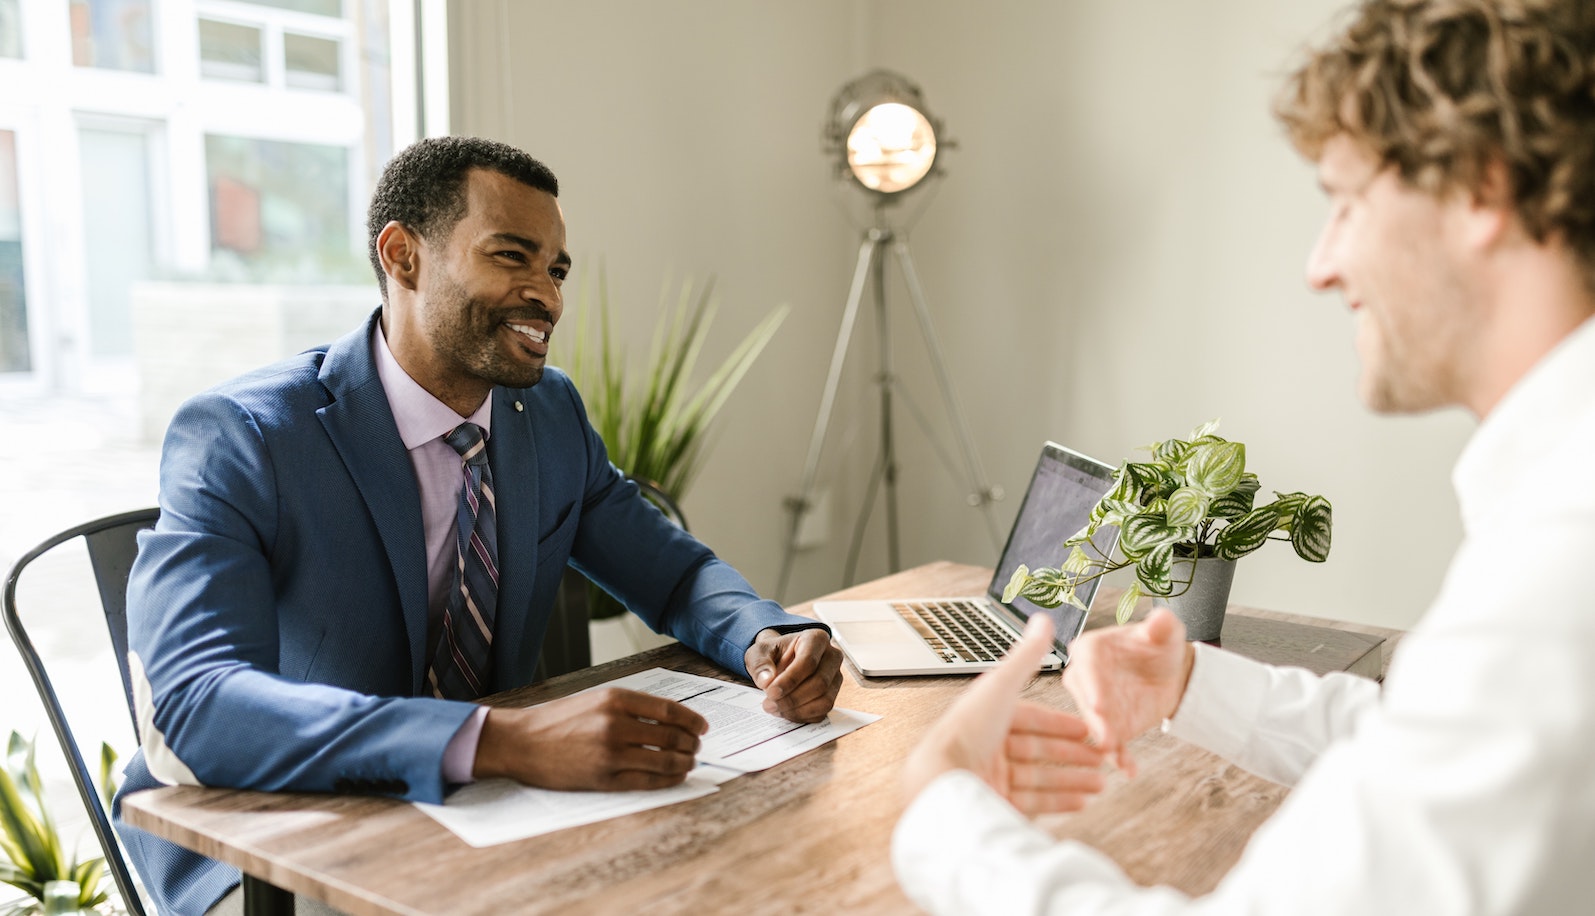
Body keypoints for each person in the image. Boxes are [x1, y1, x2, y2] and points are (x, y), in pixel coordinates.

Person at [894, 0, 1595, 911]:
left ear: (1479, 191)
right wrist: (1194, 683)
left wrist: (941, 807)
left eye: (1345, 202)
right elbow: (1440, 742)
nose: (1320, 263)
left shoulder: (1556, 572)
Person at [113, 136, 844, 916]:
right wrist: (500, 740)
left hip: (489, 814)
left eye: (556, 269)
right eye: (512, 257)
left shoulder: (548, 413)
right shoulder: (244, 436)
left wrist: (762, 638)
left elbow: (670, 571)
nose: (548, 296)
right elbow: (195, 703)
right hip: (275, 836)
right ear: (402, 255)